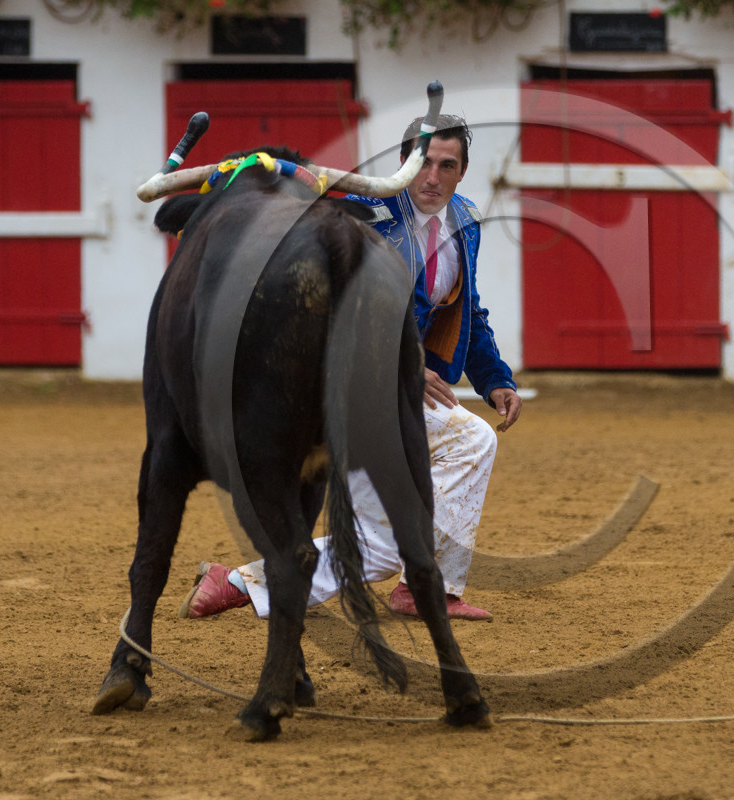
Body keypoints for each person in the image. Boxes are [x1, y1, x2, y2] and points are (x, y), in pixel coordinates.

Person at [179, 114, 522, 623]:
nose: (432, 176)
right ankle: (434, 589)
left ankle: (236, 583)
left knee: (379, 545)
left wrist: (495, 379)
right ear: (405, 165)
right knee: (471, 440)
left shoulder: (466, 220)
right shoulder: (361, 213)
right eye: (422, 162)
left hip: (388, 396)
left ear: (462, 172)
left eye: (446, 165)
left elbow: (466, 309)